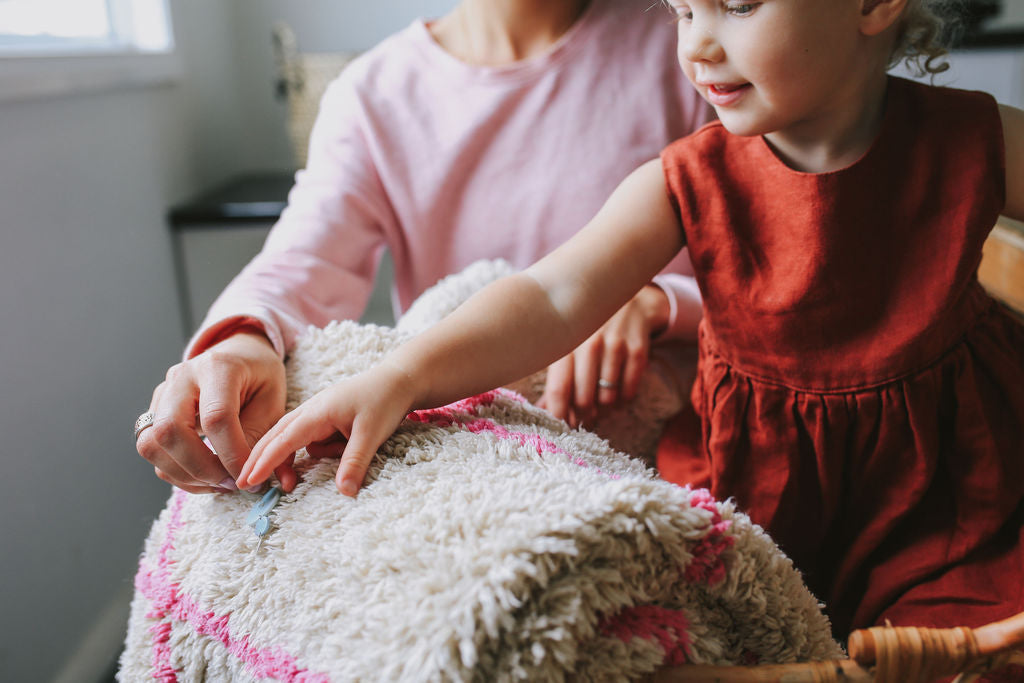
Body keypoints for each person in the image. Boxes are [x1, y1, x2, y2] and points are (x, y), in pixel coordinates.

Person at [236, 0, 1024, 639]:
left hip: (949, 493)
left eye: (736, 6)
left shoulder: (975, 137)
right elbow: (550, 296)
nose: (696, 47)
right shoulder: (689, 178)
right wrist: (400, 375)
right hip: (762, 487)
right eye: (682, 10)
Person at [135, 0, 712, 495]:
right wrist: (238, 342)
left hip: (680, 456)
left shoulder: (696, 44)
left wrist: (658, 300)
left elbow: (774, 257)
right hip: (474, 468)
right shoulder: (374, 96)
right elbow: (305, 260)